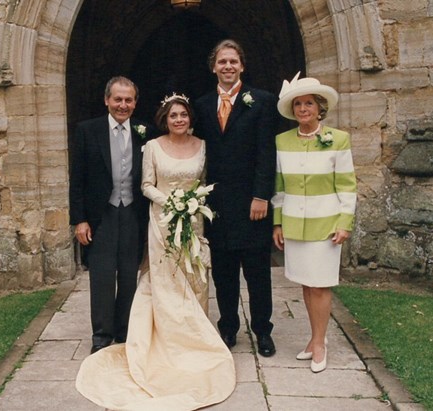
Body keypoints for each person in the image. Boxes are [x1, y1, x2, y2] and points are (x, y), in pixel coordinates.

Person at [75, 94, 236, 410]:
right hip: (161, 222)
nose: (179, 120)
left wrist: (190, 206)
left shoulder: (203, 146)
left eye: (184, 115)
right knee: (164, 279)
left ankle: (195, 337)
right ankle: (161, 335)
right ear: (166, 118)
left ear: (190, 118)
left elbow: (204, 183)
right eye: (174, 115)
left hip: (194, 219)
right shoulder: (151, 146)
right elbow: (146, 185)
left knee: (195, 277)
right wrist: (172, 204)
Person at [194, 39, 279, 357]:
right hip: (217, 206)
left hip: (251, 203)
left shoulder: (261, 100)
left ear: (242, 65)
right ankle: (227, 327)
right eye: (221, 62)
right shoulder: (202, 106)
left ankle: (263, 331)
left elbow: (265, 153)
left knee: (257, 272)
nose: (227, 66)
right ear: (214, 67)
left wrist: (261, 195)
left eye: (233, 61)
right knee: (224, 272)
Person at [272, 73, 357, 373]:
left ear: (320, 108)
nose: (303, 109)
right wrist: (278, 223)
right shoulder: (282, 141)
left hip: (327, 224)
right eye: (298, 104)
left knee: (320, 285)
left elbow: (347, 185)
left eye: (308, 103)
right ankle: (313, 338)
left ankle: (321, 343)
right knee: (307, 285)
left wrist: (345, 221)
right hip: (295, 224)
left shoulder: (337, 139)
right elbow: (279, 187)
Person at [69, 76, 152, 354]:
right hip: (100, 215)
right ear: (107, 100)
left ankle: (124, 330)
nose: (123, 105)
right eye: (118, 99)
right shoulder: (87, 130)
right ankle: (101, 335)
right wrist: (79, 219)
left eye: (128, 100)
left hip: (132, 213)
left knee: (129, 275)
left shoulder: (145, 132)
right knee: (102, 276)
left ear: (135, 102)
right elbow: (77, 179)